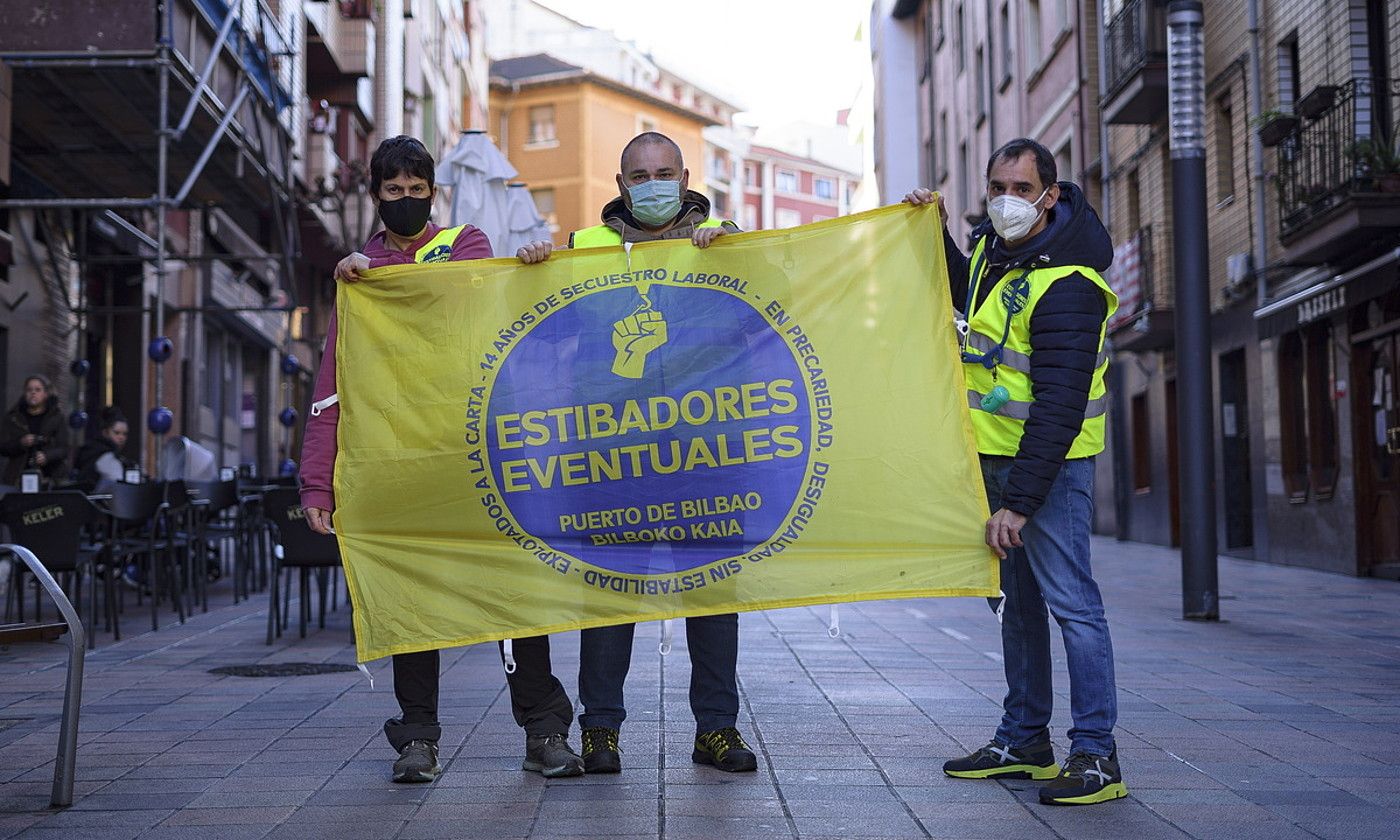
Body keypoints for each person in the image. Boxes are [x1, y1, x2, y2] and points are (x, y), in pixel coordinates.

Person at [299, 135, 583, 784]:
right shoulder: (358, 276)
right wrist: (318, 484)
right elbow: (332, 385)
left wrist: (533, 263)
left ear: (434, 193)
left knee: (516, 598)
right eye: (393, 191)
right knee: (406, 604)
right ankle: (417, 738)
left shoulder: (465, 246)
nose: (406, 200)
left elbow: (475, 300)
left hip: (479, 460)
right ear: (376, 196)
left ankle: (544, 731)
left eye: (416, 189)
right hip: (401, 468)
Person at [518, 131, 756, 775]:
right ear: (620, 185)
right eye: (638, 175)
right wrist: (532, 272)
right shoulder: (584, 250)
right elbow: (542, 328)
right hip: (612, 457)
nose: (651, 184)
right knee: (610, 597)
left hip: (706, 456)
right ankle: (601, 731)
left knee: (711, 597)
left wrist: (738, 261)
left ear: (685, 176)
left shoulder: (729, 240)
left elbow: (777, 313)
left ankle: (717, 729)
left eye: (663, 172)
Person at [905, 137, 1126, 806]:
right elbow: (964, 305)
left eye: (1022, 189)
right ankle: (1026, 739)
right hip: (997, 461)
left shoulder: (1069, 283)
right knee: (1019, 609)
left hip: (1048, 471)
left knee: (1073, 607)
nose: (1007, 200)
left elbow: (1058, 405)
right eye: (997, 186)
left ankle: (1096, 755)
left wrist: (1020, 503)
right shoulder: (991, 258)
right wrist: (935, 228)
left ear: (1050, 196)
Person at [1, 375, 70, 488]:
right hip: (17, 476)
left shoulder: (56, 417)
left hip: (51, 477)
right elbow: (3, 447)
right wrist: (21, 443)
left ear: (45, 394)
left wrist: (47, 456)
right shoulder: (13, 417)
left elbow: (64, 448)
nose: (33, 393)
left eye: (37, 390)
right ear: (25, 393)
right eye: (29, 390)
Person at [73, 406, 132, 490]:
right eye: (117, 433)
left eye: (124, 434)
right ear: (105, 433)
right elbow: (118, 484)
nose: (121, 438)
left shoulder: (91, 451)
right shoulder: (106, 457)